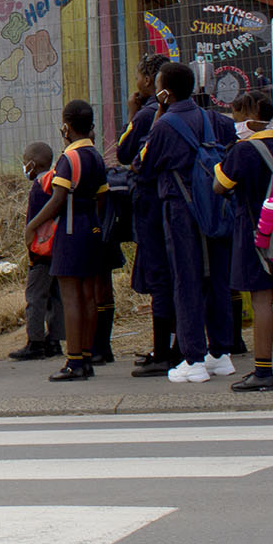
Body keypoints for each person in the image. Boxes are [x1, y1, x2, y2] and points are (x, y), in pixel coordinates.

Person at [140, 64, 241, 382]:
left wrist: (157, 116)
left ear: (164, 92)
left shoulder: (164, 125)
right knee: (217, 279)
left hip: (180, 209)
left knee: (187, 281)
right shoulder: (213, 119)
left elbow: (144, 167)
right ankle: (221, 353)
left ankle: (193, 358)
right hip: (214, 206)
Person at [215, 114, 273, 391]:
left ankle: (262, 370)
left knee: (262, 300)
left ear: (249, 116)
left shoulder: (243, 150)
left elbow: (220, 185)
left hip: (256, 231)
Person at [29, 100, 111, 383]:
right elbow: (102, 196)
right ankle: (86, 357)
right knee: (88, 295)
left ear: (65, 127)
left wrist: (33, 225)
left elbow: (58, 199)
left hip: (71, 229)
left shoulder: (70, 158)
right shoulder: (96, 156)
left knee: (71, 297)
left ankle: (74, 360)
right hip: (92, 228)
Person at [117, 53, 175, 376]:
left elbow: (125, 153)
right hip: (174, 205)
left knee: (159, 278)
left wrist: (132, 112)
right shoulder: (190, 113)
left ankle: (162, 352)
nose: (136, 82)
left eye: (139, 76)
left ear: (150, 81)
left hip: (152, 206)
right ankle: (177, 347)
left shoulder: (147, 116)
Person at [9, 142, 65, 361]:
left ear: (32, 164)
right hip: (56, 247)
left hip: (41, 249)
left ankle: (35, 341)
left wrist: (30, 244)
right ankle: (55, 340)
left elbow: (33, 218)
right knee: (56, 296)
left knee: (35, 296)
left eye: (25, 162)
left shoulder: (39, 186)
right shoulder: (56, 181)